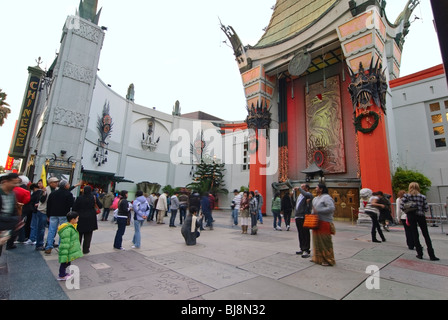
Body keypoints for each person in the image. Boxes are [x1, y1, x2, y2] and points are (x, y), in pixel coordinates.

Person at [400, 182, 439, 261]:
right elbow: (426, 208)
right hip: (421, 216)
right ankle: (432, 255)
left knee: (415, 234)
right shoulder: (422, 196)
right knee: (426, 234)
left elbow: (401, 206)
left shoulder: (406, 196)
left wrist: (408, 209)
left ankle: (419, 253)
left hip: (411, 216)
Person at [44, 180, 75, 254]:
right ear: (65, 186)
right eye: (68, 184)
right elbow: (71, 204)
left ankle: (48, 247)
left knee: (51, 230)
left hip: (53, 214)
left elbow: (49, 204)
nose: (69, 185)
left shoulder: (53, 193)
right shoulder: (68, 194)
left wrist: (48, 215)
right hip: (64, 214)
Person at [311, 183, 336, 266]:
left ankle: (328, 259)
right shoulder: (315, 198)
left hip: (324, 221)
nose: (315, 188)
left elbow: (331, 208)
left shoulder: (326, 197)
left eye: (317, 187)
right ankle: (317, 258)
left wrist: (318, 210)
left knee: (325, 241)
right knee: (316, 240)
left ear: (321, 189)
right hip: (315, 221)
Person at [73, 185, 102, 254]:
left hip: (80, 217)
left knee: (79, 234)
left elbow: (74, 208)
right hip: (91, 217)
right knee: (88, 234)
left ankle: (77, 249)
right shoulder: (93, 198)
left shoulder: (79, 198)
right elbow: (100, 206)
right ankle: (86, 249)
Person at [35, 176, 60, 251]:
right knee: (41, 229)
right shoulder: (45, 189)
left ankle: (50, 242)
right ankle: (39, 244)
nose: (56, 183)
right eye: (55, 182)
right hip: (43, 211)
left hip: (53, 212)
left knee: (53, 229)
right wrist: (44, 193)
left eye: (57, 182)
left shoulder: (57, 190)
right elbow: (42, 200)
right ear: (50, 183)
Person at [57, 211, 83, 281]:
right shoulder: (68, 229)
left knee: (67, 263)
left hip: (69, 249)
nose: (78, 220)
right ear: (72, 219)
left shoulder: (71, 227)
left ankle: (63, 274)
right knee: (64, 263)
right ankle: (61, 275)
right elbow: (65, 242)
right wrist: (65, 252)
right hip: (67, 250)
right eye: (77, 218)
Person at [0, 173, 22, 256]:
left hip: (5, 226)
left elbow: (13, 210)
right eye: (13, 183)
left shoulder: (12, 194)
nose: (15, 185)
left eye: (17, 183)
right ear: (5, 181)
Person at [294, 184, 313, 258]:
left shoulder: (308, 195)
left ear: (307, 188)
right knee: (300, 233)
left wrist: (299, 189)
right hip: (298, 216)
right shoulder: (300, 196)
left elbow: (306, 195)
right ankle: (302, 248)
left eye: (303, 187)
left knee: (305, 233)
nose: (301, 188)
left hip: (305, 216)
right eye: (301, 187)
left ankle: (306, 250)